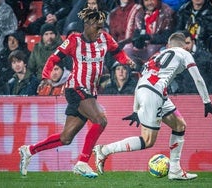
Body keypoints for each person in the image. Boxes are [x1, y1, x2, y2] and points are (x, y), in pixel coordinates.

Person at [18, 8, 135, 178]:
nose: (100, 31)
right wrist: (45, 76)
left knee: (66, 138)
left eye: (102, 27)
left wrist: (127, 61)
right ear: (87, 25)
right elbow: (54, 58)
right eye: (97, 27)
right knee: (101, 120)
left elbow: (118, 52)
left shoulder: (105, 38)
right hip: (75, 89)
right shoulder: (74, 40)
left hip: (90, 92)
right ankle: (82, 162)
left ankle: (28, 151)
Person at [93, 32, 212, 180]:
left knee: (179, 126)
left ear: (168, 45)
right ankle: (104, 150)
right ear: (185, 45)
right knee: (147, 141)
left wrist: (136, 109)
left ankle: (175, 170)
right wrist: (207, 101)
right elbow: (198, 79)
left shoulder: (156, 57)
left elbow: (142, 80)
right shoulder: (184, 53)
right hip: (154, 92)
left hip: (149, 91)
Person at [122, 0, 175, 69]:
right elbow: (137, 32)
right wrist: (137, 41)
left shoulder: (167, 12)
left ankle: (151, 71)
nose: (149, 3)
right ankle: (136, 70)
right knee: (127, 49)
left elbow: (167, 36)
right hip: (144, 46)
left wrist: (150, 37)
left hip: (160, 46)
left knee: (151, 48)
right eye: (146, 0)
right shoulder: (140, 12)